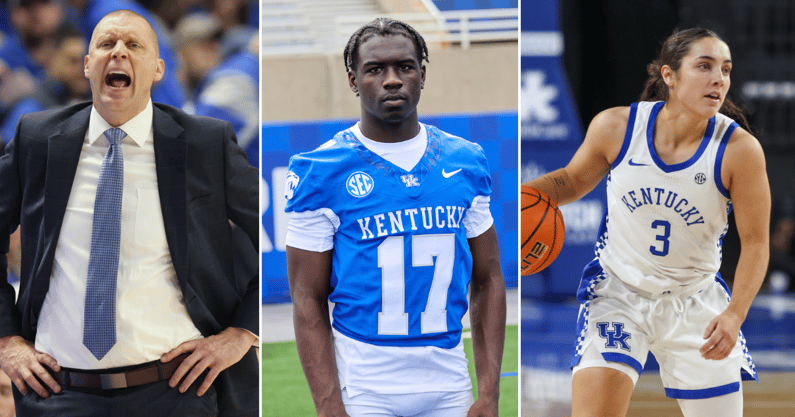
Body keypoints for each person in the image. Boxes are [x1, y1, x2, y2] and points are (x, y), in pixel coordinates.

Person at [0, 10, 258, 416]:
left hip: (177, 390)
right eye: (106, 44)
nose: (118, 53)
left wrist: (243, 332)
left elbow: (285, 231)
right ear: (88, 65)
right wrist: (6, 340)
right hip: (59, 392)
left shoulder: (205, 143)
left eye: (133, 45)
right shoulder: (35, 138)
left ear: (158, 69)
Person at [524, 28, 770, 417]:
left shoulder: (740, 151)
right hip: (619, 294)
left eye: (725, 69)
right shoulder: (618, 128)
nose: (719, 79)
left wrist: (735, 314)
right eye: (704, 66)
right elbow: (571, 181)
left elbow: (756, 243)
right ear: (669, 76)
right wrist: (513, 200)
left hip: (695, 303)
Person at [285, 18, 507, 417]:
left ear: (423, 74)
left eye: (404, 66)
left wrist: (489, 392)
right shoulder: (320, 170)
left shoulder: (465, 160)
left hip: (450, 382)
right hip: (365, 385)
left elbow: (488, 277)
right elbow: (306, 297)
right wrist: (327, 403)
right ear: (354, 81)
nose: (392, 80)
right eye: (375, 69)